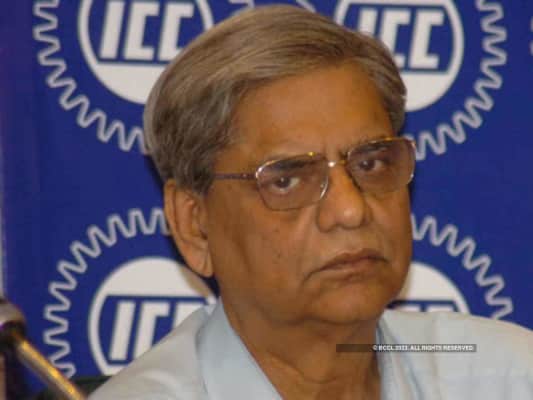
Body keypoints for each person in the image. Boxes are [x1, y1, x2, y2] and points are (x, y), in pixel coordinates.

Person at [90, 5, 533, 400]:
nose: (350, 210)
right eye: (286, 180)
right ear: (195, 225)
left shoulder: (508, 378)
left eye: (371, 163)